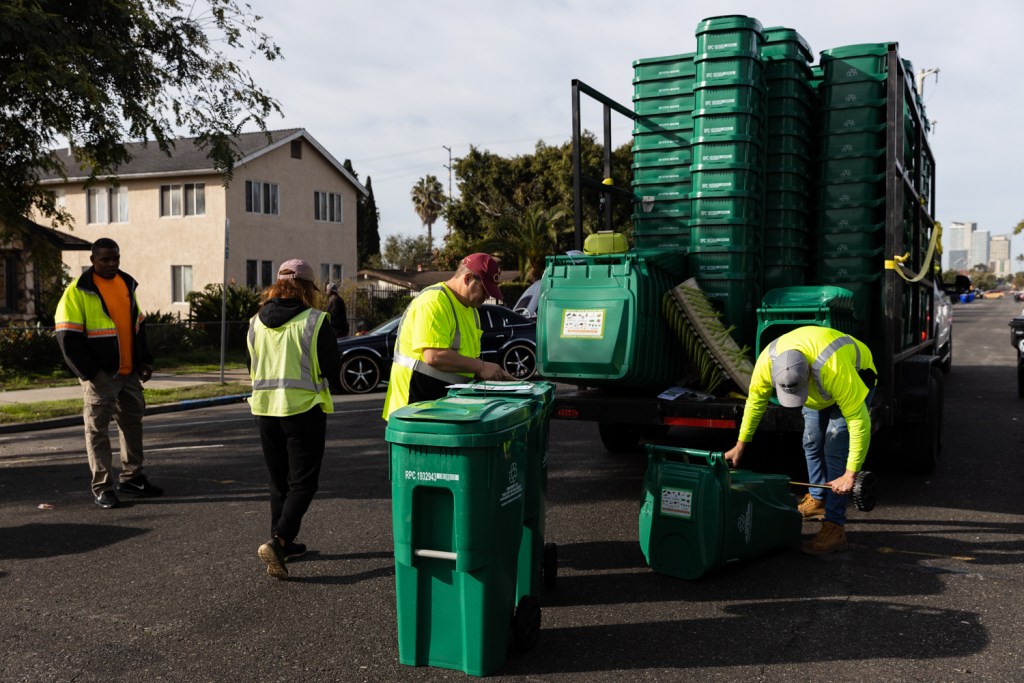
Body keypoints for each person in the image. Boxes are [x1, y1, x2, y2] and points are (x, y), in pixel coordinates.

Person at [723, 326, 877, 555]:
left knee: (834, 448)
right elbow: (755, 404)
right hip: (819, 393)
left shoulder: (833, 370)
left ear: (807, 376)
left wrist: (850, 474)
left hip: (855, 374)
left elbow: (859, 421)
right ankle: (818, 500)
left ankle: (835, 528)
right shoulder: (767, 364)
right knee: (811, 441)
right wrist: (740, 444)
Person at [248, 259, 342, 580]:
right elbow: (332, 368)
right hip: (303, 411)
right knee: (303, 483)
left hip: (264, 411)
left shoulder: (255, 323)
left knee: (279, 482)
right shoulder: (315, 321)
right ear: (308, 288)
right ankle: (280, 539)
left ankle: (283, 543)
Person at [55, 237, 161, 509]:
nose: (112, 263)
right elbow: (68, 340)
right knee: (97, 431)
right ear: (93, 260)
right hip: (101, 375)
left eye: (116, 258)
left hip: (128, 373)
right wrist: (92, 374)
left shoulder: (127, 284)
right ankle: (103, 487)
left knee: (132, 424)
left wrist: (144, 360)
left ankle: (132, 477)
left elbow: (138, 326)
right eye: (106, 259)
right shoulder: (78, 291)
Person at [382, 253, 514, 420]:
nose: (488, 297)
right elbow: (434, 356)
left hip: (441, 405)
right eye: (485, 290)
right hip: (414, 407)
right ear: (467, 279)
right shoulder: (434, 301)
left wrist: (496, 375)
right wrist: (481, 367)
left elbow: (465, 361)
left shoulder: (470, 309)